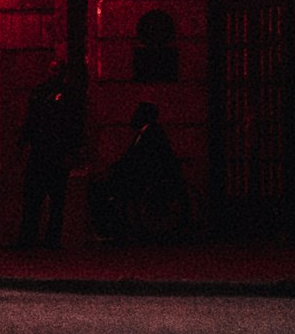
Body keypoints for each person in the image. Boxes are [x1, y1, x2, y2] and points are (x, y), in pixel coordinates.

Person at [87, 100, 194, 249]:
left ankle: (109, 228)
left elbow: (140, 160)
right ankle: (111, 226)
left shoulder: (151, 134)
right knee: (101, 186)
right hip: (141, 177)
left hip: (145, 179)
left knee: (101, 190)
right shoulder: (146, 133)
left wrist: (116, 169)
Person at [15, 60, 84, 251]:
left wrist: (71, 152)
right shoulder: (39, 91)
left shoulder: (70, 95)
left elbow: (74, 125)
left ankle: (51, 240)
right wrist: (22, 142)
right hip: (39, 151)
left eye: (57, 70)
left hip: (57, 152)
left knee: (56, 199)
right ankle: (27, 238)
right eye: (52, 69)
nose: (54, 73)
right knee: (32, 197)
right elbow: (31, 119)